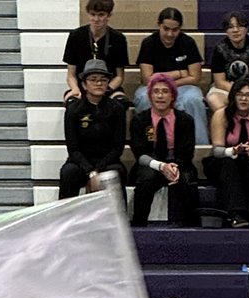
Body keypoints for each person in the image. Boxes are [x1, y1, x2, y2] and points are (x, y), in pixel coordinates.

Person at [129, 74, 199, 227]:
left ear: (173, 96)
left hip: (179, 162)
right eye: (156, 91)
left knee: (186, 181)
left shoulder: (186, 120)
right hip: (151, 163)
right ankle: (138, 227)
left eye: (165, 91)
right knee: (145, 180)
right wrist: (160, 166)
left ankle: (193, 228)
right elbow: (139, 154)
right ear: (150, 95)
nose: (160, 96)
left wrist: (173, 167)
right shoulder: (140, 120)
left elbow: (187, 152)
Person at [205, 77, 249, 228]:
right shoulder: (221, 115)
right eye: (239, 94)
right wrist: (232, 151)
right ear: (233, 96)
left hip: (248, 161)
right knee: (229, 164)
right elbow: (217, 150)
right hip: (223, 160)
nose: (244, 98)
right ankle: (236, 214)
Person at [134, 8, 210, 144]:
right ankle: (147, 145)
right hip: (154, 87)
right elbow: (147, 79)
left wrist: (162, 78)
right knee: (143, 98)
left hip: (183, 87)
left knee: (194, 99)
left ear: (180, 28)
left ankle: (199, 147)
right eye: (166, 29)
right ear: (159, 25)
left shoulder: (188, 43)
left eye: (175, 30)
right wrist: (179, 73)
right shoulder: (149, 43)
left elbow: (195, 77)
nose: (170, 34)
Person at [59, 59, 128, 199]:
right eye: (93, 79)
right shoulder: (73, 110)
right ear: (84, 84)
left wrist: (98, 169)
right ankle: (65, 217)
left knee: (117, 172)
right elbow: (73, 148)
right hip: (81, 161)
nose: (98, 83)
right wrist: (90, 171)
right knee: (68, 172)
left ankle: (119, 219)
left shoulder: (117, 109)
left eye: (103, 80)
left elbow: (118, 148)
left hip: (108, 161)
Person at [62, 0, 129, 107]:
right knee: (72, 102)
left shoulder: (118, 38)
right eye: (93, 15)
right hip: (82, 87)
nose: (96, 19)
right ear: (88, 14)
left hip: (108, 87)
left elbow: (119, 76)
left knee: (121, 102)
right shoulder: (75, 36)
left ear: (109, 15)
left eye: (101, 15)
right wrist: (75, 89)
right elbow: (71, 74)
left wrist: (104, 89)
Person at [207, 12, 249, 119]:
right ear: (226, 31)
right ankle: (235, 127)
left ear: (247, 29)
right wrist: (241, 92)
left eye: (240, 26)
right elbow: (219, 82)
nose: (235, 30)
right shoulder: (219, 49)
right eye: (230, 27)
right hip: (227, 88)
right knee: (213, 99)